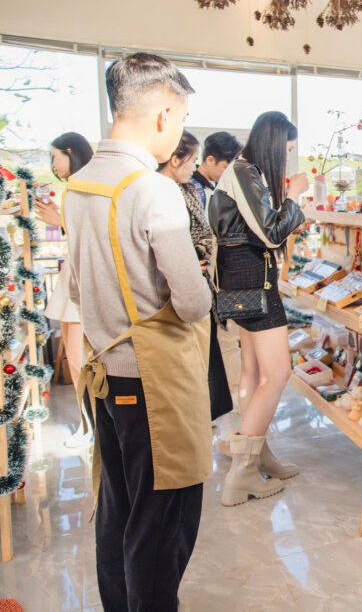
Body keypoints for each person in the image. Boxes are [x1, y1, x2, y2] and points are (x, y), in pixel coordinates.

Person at [64, 53, 212, 611]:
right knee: (162, 524)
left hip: (104, 377)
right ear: (164, 114)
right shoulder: (152, 190)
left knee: (118, 510)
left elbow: (76, 288)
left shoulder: (79, 185)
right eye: (181, 118)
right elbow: (193, 303)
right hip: (153, 381)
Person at [209, 110, 310, 506]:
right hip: (254, 281)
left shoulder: (241, 172)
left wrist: (289, 213)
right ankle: (243, 472)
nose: (287, 156)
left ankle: (259, 454)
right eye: (286, 148)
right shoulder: (244, 172)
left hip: (242, 281)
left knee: (252, 371)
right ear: (273, 143)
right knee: (277, 373)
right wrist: (295, 195)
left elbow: (257, 228)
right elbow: (270, 234)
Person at [157, 131, 233, 426]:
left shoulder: (188, 190)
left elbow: (202, 236)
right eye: (191, 160)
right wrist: (189, 260)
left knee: (204, 362)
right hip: (173, 296)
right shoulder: (158, 194)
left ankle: (202, 419)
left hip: (200, 288)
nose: (194, 166)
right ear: (175, 160)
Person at [36, 132, 94, 447]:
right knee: (75, 357)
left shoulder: (83, 186)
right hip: (75, 273)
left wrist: (59, 220)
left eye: (55, 156)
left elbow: (91, 231)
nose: (53, 165)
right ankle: (88, 425)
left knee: (79, 357)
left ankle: (91, 427)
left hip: (81, 277)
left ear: (70, 152)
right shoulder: (78, 186)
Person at [189, 131, 244, 454]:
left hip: (217, 282)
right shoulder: (193, 191)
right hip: (207, 286)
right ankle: (226, 424)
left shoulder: (211, 189)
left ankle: (225, 419)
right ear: (209, 160)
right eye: (225, 166)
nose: (227, 173)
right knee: (220, 351)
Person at [191, 131, 241, 211]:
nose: (229, 174)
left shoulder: (217, 186)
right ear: (210, 160)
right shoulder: (192, 188)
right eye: (225, 168)